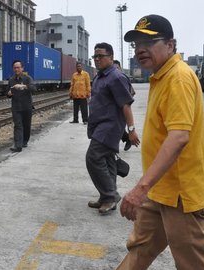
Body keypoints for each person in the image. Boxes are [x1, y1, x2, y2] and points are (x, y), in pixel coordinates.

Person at [118, 14, 204, 269]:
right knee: (139, 249)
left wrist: (139, 189)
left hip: (179, 193)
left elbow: (179, 137)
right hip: (160, 188)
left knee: (193, 262)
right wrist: (147, 188)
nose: (140, 49)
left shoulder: (178, 78)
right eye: (136, 44)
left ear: (171, 45)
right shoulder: (161, 75)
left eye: (149, 42)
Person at [86, 42, 140, 215]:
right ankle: (106, 197)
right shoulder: (100, 76)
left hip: (109, 126)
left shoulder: (116, 76)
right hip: (99, 125)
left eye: (100, 56)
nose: (97, 59)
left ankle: (110, 196)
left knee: (93, 157)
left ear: (110, 57)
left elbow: (126, 105)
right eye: (95, 56)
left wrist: (131, 130)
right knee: (108, 161)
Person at [7, 60, 36, 153]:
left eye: (18, 67)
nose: (16, 69)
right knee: (17, 125)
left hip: (26, 106)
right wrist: (8, 94)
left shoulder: (27, 78)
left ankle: (24, 141)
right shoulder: (11, 80)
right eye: (15, 67)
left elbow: (34, 89)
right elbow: (7, 93)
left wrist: (24, 86)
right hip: (16, 106)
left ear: (22, 68)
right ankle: (18, 145)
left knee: (26, 125)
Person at [114, 60, 136, 151]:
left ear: (120, 68)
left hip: (122, 108)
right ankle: (126, 139)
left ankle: (116, 147)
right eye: (113, 68)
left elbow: (132, 92)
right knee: (115, 127)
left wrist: (124, 101)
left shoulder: (123, 78)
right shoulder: (111, 79)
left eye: (117, 67)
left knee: (117, 127)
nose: (115, 69)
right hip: (113, 108)